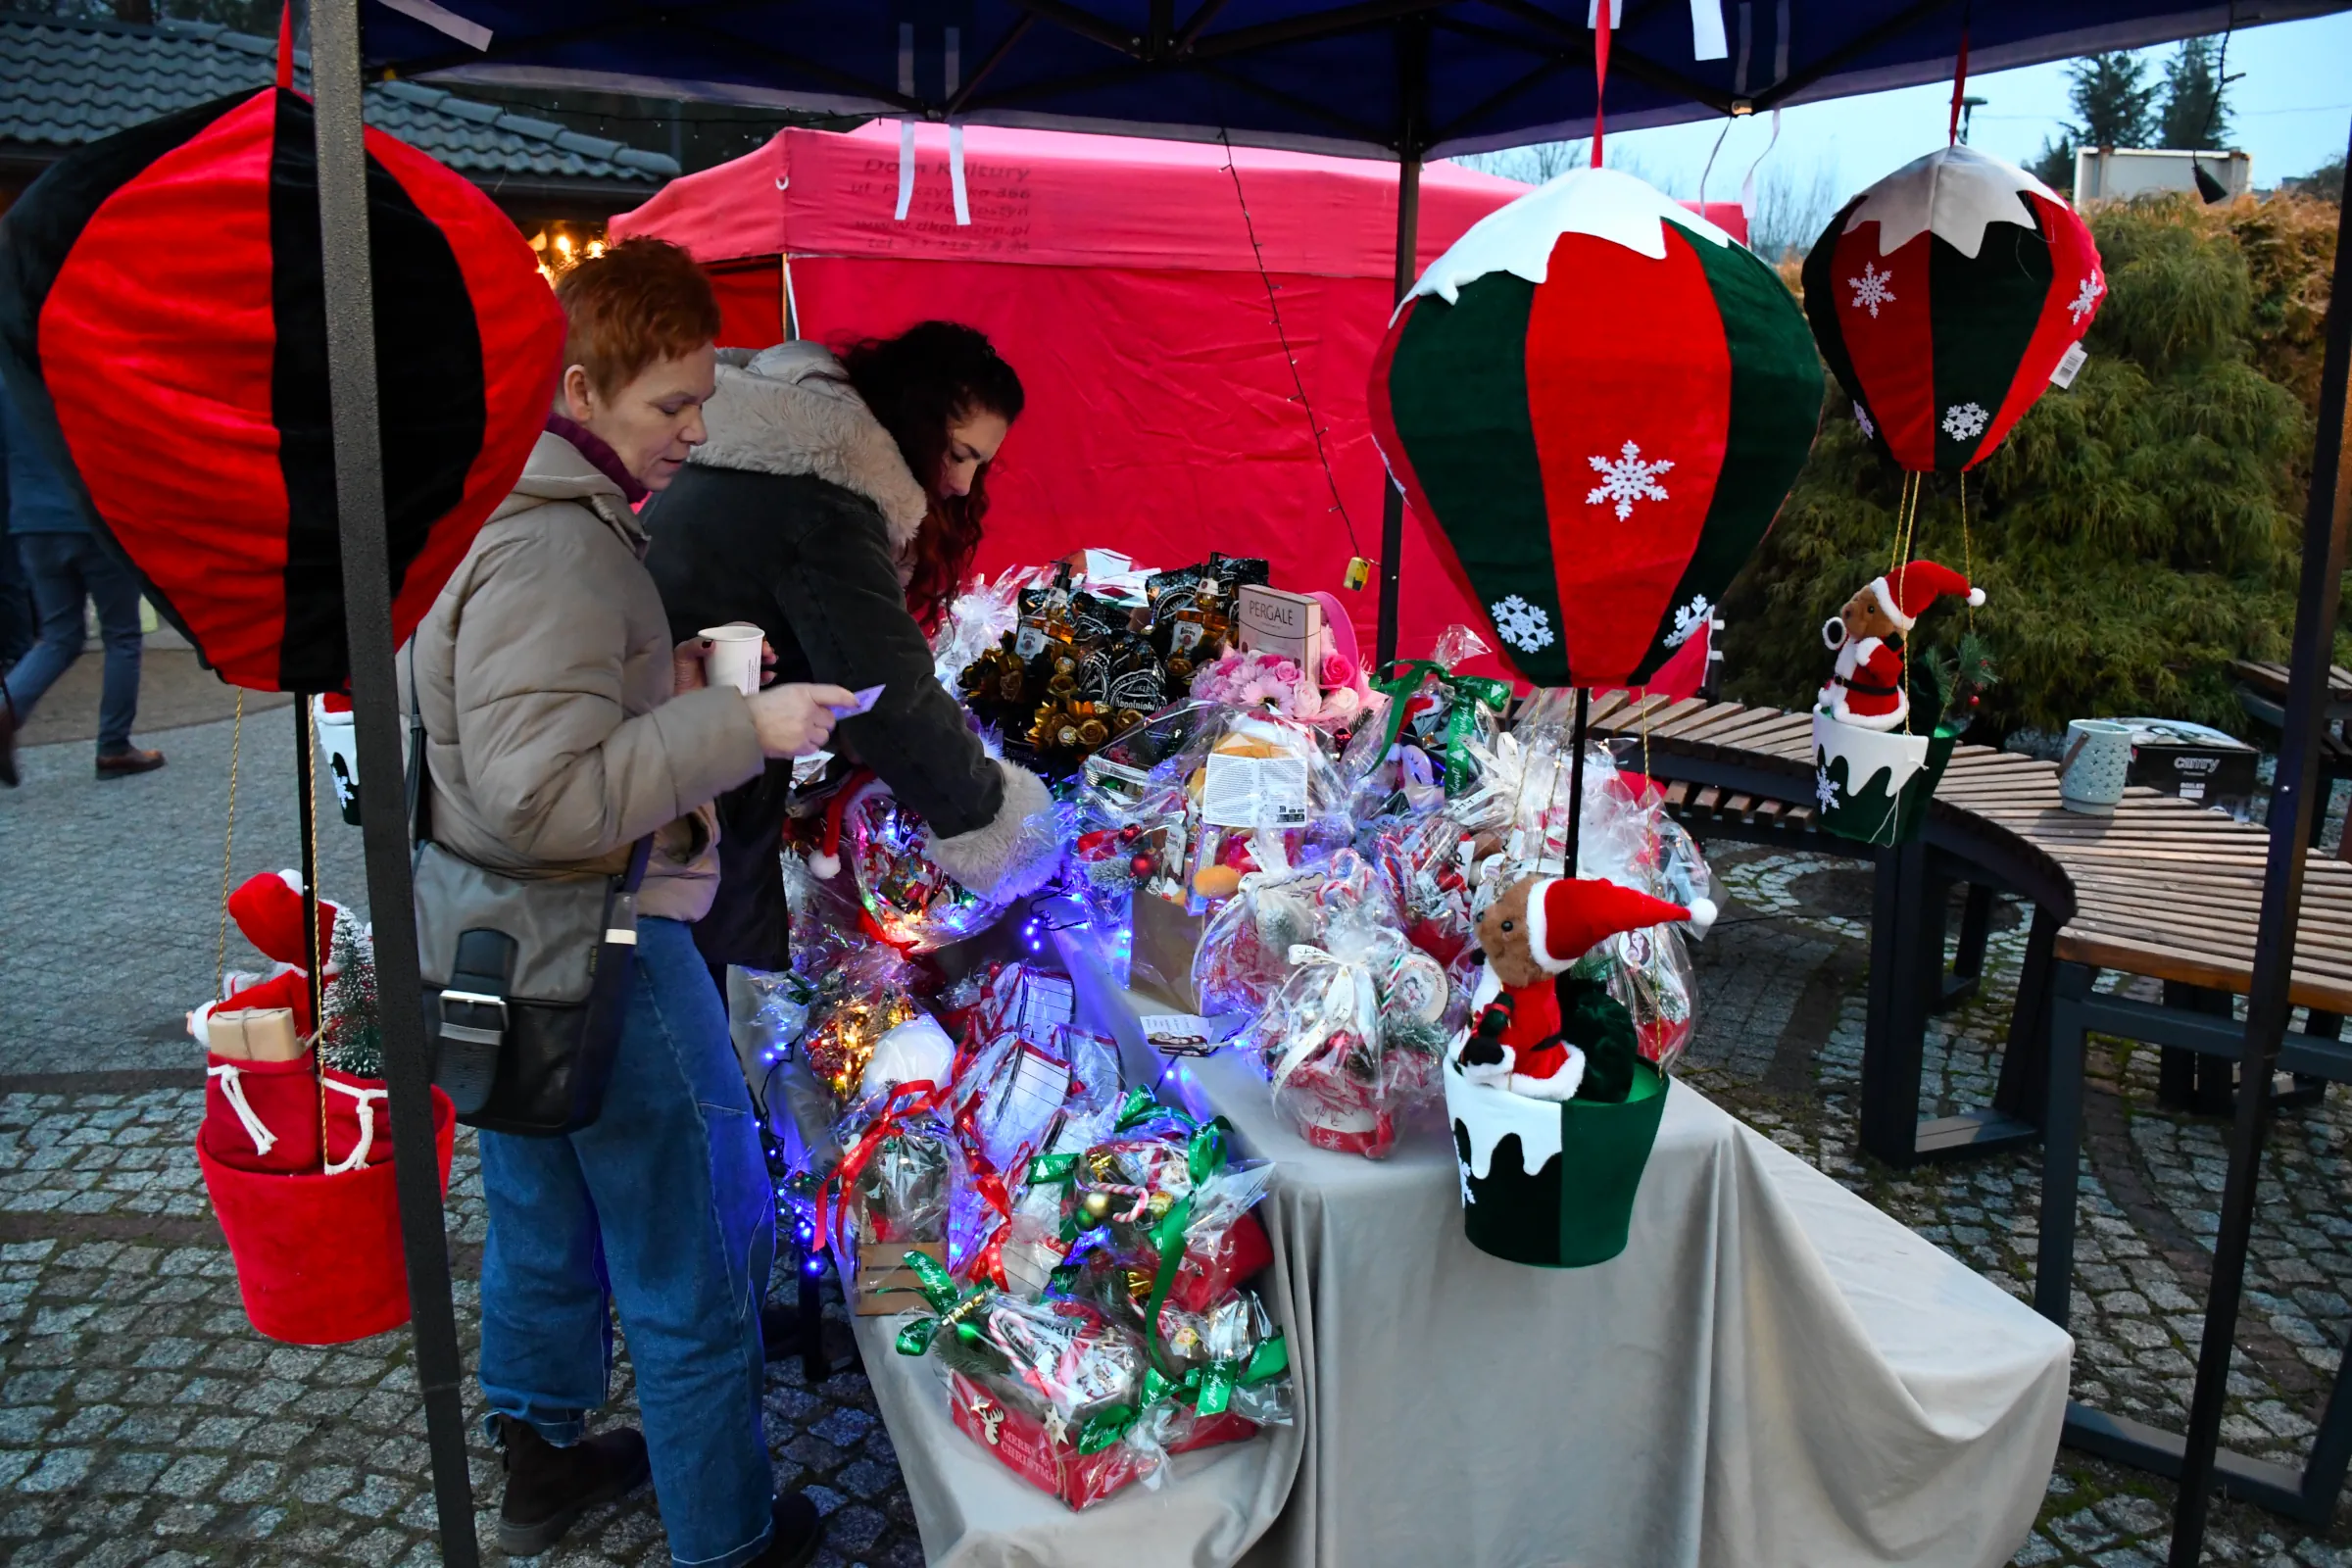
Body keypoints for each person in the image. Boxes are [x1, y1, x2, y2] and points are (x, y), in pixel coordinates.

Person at [405, 238, 846, 1568]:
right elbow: (545, 795)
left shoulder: (505, 509)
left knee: (544, 1213)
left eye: (703, 399)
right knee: (693, 1240)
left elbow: (508, 751)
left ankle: (542, 1457)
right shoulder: (560, 550)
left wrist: (666, 698)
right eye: (673, 403)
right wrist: (738, 724)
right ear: (581, 390)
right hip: (598, 939)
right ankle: (728, 1535)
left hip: (498, 940)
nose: (695, 430)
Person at [644, 321, 1057, 979]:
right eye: (958, 453)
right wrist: (997, 824)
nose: (962, 483)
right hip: (680, 802)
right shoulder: (822, 504)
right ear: (917, 419)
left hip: (672, 761)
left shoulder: (769, 457)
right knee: (681, 1017)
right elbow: (891, 693)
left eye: (981, 463)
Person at [0, 378, 164, 786]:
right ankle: (114, 746)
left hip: (32, 523)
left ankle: (5, 711)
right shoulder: (84, 366)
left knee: (59, 636)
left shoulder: (7, 380)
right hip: (96, 518)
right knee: (122, 634)